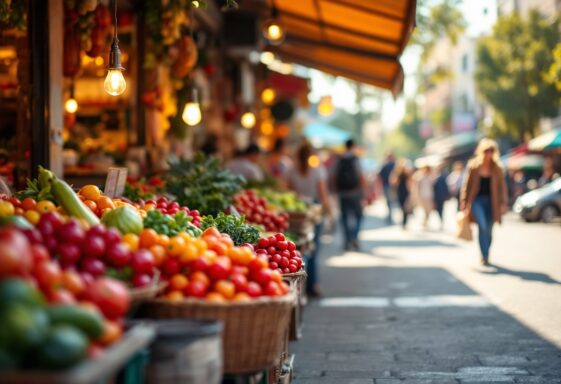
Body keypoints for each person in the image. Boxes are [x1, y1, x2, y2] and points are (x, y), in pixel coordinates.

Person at [288, 142, 332, 297]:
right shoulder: (318, 170)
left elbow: (290, 192)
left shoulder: (291, 171)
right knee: (313, 247)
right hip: (314, 210)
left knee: (300, 247)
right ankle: (313, 285)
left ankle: (301, 284)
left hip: (297, 211)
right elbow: (323, 193)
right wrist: (329, 211)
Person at [460, 138, 508, 267]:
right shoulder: (474, 166)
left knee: (489, 230)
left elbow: (502, 188)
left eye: (491, 151)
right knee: (482, 226)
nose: (489, 154)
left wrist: (503, 203)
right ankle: (484, 256)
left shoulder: (497, 168)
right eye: (486, 151)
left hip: (493, 202)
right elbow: (466, 186)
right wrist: (464, 202)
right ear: (482, 152)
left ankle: (486, 252)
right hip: (477, 201)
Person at [333, 139, 366, 251]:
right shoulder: (355, 159)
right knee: (359, 216)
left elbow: (334, 176)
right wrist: (364, 191)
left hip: (342, 193)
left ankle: (347, 240)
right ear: (353, 146)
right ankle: (354, 236)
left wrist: (336, 189)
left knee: (344, 217)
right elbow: (361, 175)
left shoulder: (340, 159)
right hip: (355, 192)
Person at [390, 159, 413, 229]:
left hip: (405, 191)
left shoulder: (407, 173)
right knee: (401, 206)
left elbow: (410, 182)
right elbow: (393, 182)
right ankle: (404, 221)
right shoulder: (397, 173)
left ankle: (404, 222)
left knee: (405, 207)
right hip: (400, 191)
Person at [378, 152, 396, 223]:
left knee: (389, 202)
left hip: (386, 186)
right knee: (393, 202)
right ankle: (391, 216)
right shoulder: (395, 165)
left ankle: (390, 216)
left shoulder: (384, 165)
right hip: (393, 187)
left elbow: (379, 175)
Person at [433, 165, 450, 229]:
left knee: (440, 208)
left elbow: (446, 187)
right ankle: (441, 219)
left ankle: (441, 219)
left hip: (440, 196)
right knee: (439, 209)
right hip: (438, 196)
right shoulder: (437, 177)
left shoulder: (442, 177)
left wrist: (447, 194)